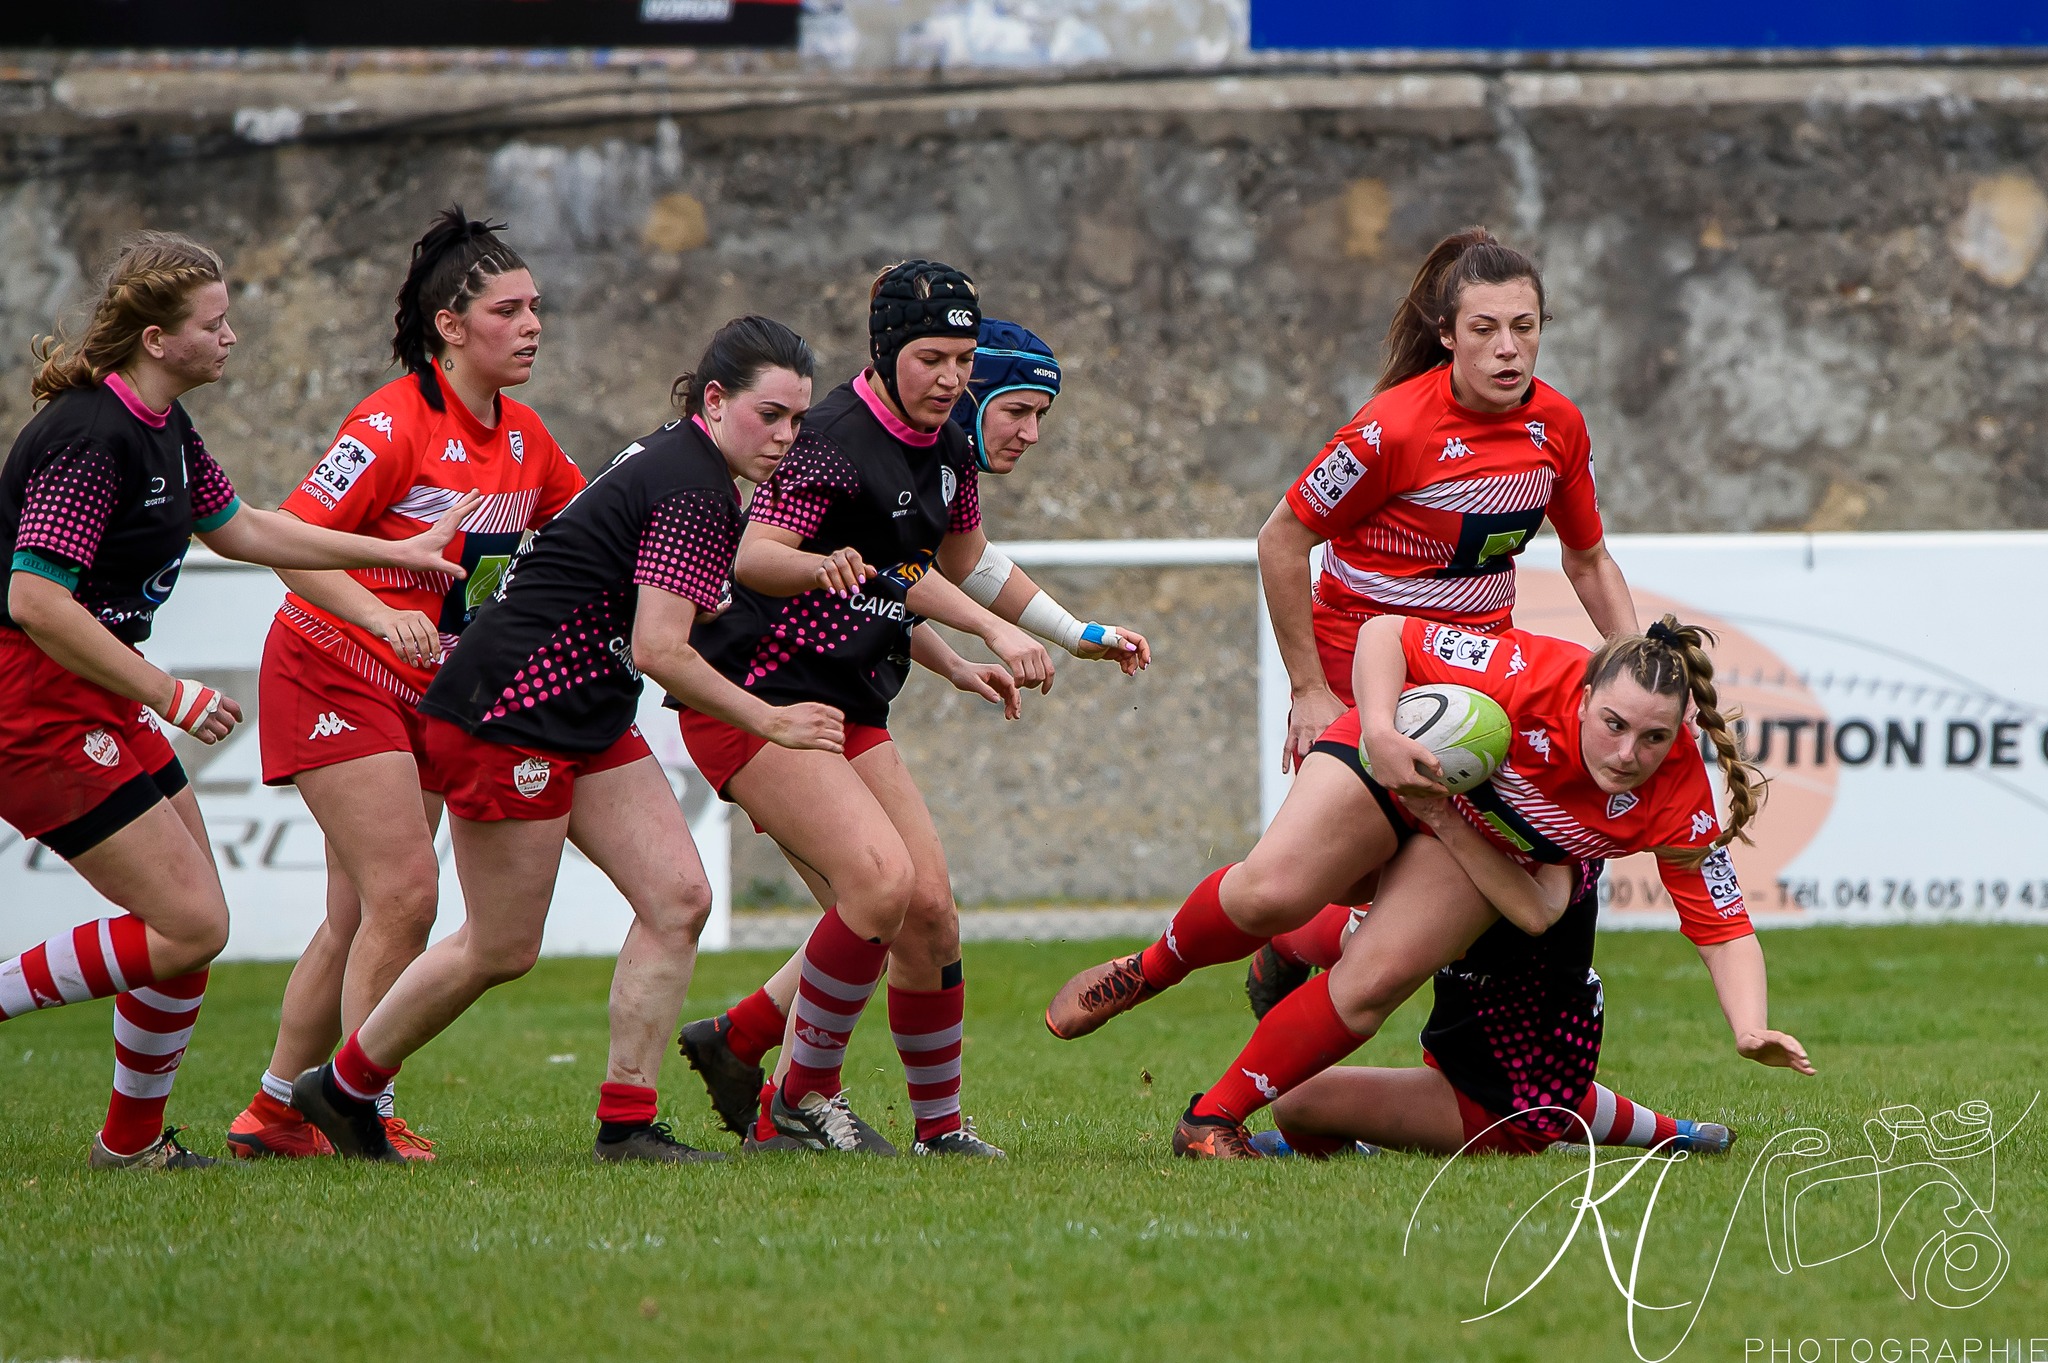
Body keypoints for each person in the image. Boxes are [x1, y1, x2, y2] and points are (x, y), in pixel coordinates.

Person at [291, 315, 843, 1163]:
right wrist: (770, 718)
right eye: (770, 415)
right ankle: (342, 1086)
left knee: (678, 898)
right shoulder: (693, 485)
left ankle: (627, 1123)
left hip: (584, 709)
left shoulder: (690, 470)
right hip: (511, 710)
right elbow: (661, 650)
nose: (785, 437)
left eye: (798, 419)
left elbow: (641, 594)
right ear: (714, 400)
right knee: (500, 946)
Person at [0, 230, 474, 1169]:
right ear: (155, 338)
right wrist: (170, 693)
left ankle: (130, 1144)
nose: (230, 337)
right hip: (33, 701)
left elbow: (249, 528)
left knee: (190, 931)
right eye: (213, 323)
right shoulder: (91, 435)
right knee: (190, 925)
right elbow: (35, 600)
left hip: (91, 693)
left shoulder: (164, 426)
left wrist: (396, 554)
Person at [1046, 613, 1813, 1157]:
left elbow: (1722, 927)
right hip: (1399, 749)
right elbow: (1386, 633)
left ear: (1678, 734)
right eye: (1613, 723)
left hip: (1472, 829)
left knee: (1372, 983)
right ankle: (1148, 970)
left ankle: (1210, 1119)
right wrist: (1381, 730)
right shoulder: (1527, 672)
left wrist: (1749, 1026)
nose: (1627, 752)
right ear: (1582, 696)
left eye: (1653, 737)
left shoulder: (1677, 795)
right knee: (1269, 892)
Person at [674, 313, 1152, 1152]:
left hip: (848, 704)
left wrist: (1041, 641)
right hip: (761, 696)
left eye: (963, 362)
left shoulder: (944, 455)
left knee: (923, 912)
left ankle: (916, 1119)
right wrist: (997, 633)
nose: (1029, 432)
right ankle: (792, 1095)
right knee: (878, 892)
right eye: (1017, 409)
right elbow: (866, 566)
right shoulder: (837, 438)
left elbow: (937, 570)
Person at [226, 207, 586, 1162]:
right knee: (405, 897)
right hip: (332, 668)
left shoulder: (527, 436)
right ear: (450, 326)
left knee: (357, 913)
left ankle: (275, 1110)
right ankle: (363, 1113)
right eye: (507, 310)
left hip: (427, 690)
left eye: (535, 307)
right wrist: (383, 615)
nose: (532, 325)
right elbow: (291, 546)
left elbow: (591, 534)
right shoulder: (389, 423)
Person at [1250, 225, 1639, 1007]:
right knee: (1351, 870)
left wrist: (1641, 668)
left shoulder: (1558, 427)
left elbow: (1589, 558)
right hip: (1363, 662)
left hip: (1475, 670)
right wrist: (1309, 690)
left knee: (1465, 865)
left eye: (1523, 327)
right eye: (1485, 329)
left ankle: (1327, 984)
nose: (1508, 349)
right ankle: (1283, 944)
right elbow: (1280, 540)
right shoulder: (1389, 428)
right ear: (1448, 334)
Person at [1249, 861, 1736, 1159]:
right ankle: (1676, 1134)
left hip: (1498, 1104)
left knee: (1294, 1100)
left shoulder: (1514, 860)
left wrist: (1292, 945)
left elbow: (1370, 960)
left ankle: (1358, 1145)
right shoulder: (1544, 832)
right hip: (1538, 1075)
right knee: (1533, 1082)